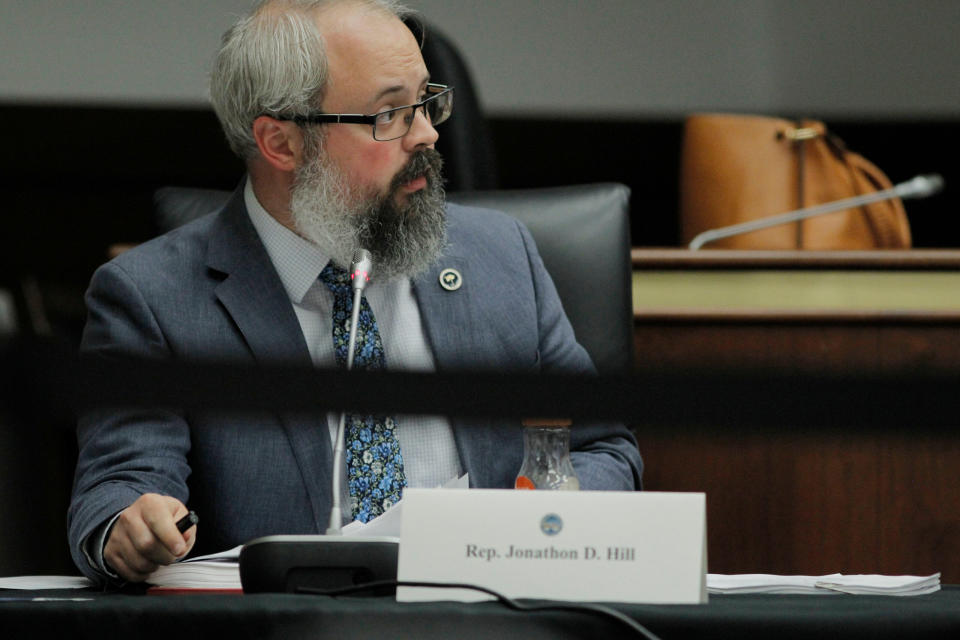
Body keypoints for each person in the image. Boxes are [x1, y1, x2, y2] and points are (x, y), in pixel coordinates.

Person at [68, 0, 643, 585]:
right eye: (389, 114)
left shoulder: (501, 258)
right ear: (282, 142)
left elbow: (602, 450)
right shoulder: (152, 298)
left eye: (427, 100)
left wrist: (531, 524)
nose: (427, 134)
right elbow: (119, 486)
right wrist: (132, 526)